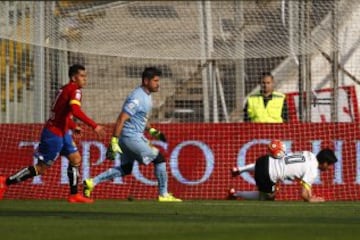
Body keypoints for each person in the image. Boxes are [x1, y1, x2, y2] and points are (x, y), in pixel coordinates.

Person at [0, 64, 105, 203]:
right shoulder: (75, 90)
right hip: (53, 134)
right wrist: (94, 126)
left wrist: (73, 126)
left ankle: (74, 195)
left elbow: (62, 113)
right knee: (41, 169)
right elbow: (75, 111)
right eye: (82, 76)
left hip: (62, 131)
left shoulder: (64, 89)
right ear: (74, 77)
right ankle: (5, 182)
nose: (85, 79)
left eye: (85, 76)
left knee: (75, 159)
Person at [82, 67, 182, 202]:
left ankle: (92, 182)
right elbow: (122, 118)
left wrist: (152, 131)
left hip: (130, 137)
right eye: (155, 81)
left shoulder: (146, 96)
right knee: (159, 159)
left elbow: (140, 118)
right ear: (146, 81)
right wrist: (113, 141)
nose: (158, 84)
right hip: (131, 137)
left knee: (126, 168)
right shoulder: (137, 98)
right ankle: (163, 195)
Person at [230, 144, 338, 202]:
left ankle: (240, 169)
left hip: (263, 160)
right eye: (329, 165)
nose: (329, 168)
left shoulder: (308, 154)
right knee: (268, 197)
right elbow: (304, 195)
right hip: (268, 175)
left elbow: (306, 185)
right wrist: (312, 199)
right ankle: (235, 193)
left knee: (272, 164)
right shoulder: (313, 170)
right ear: (324, 163)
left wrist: (310, 194)